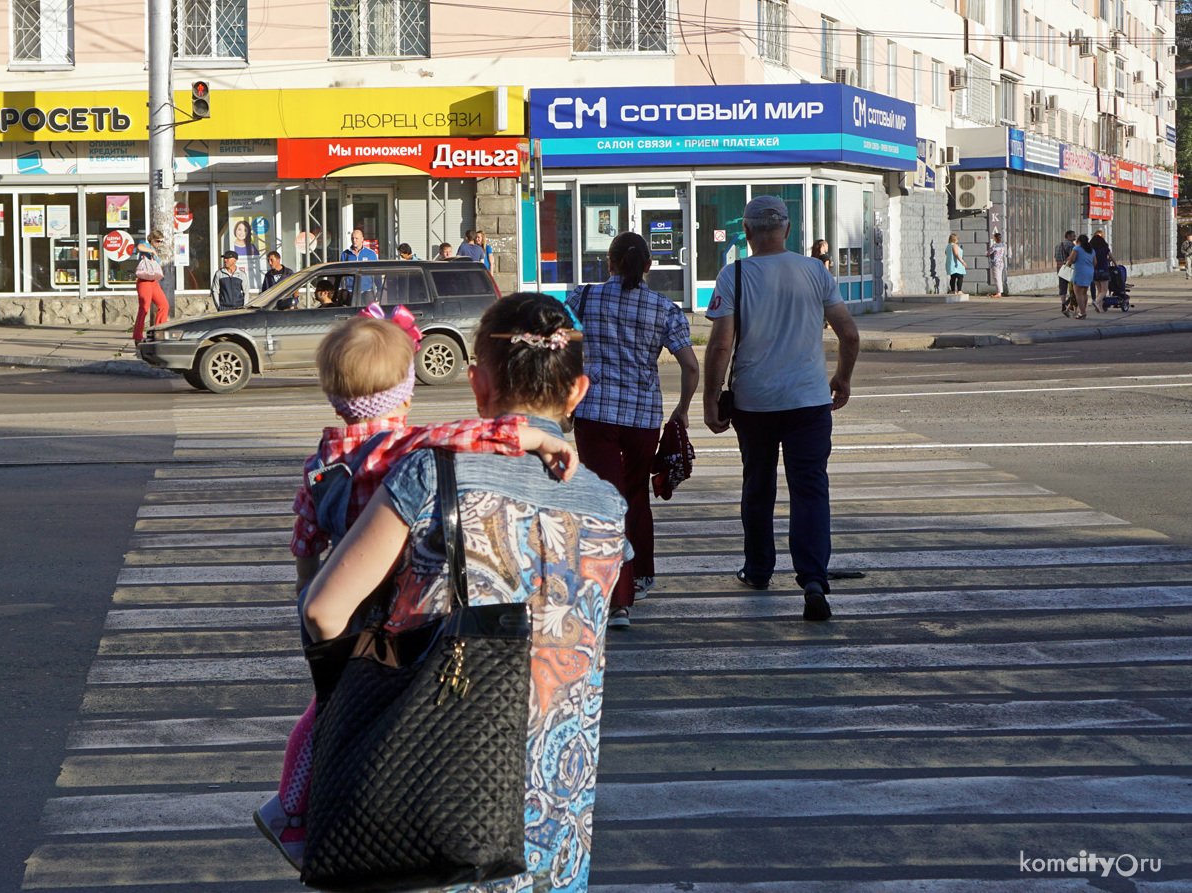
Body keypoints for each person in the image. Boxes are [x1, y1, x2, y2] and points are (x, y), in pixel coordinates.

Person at [300, 293, 627, 893]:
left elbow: (323, 610)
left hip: (432, 794)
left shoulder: (430, 473)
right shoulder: (609, 508)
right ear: (577, 391)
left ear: (478, 384)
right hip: (557, 820)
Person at [702, 195, 860, 622]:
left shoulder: (734, 274)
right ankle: (812, 577)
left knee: (758, 484)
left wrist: (711, 398)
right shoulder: (815, 271)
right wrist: (842, 378)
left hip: (755, 403)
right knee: (810, 488)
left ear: (748, 232)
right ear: (788, 230)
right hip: (809, 401)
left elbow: (720, 345)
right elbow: (848, 334)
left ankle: (758, 570)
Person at [566, 231, 699, 628]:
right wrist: (682, 409)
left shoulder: (583, 298)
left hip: (595, 416)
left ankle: (617, 599)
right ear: (648, 266)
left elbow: (559, 345)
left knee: (605, 499)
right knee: (635, 495)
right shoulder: (664, 308)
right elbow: (692, 367)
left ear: (609, 263)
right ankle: (639, 578)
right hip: (642, 419)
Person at [132, 231, 169, 343]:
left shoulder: (156, 251)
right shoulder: (145, 244)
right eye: (158, 241)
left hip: (153, 282)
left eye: (161, 242)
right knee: (144, 309)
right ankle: (137, 336)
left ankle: (158, 332)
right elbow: (139, 247)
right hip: (144, 282)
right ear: (152, 239)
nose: (159, 243)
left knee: (164, 305)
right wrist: (152, 250)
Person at [1064, 233, 1096, 319]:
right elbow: (1095, 262)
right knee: (1084, 293)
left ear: (1078, 241)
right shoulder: (1091, 250)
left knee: (1077, 293)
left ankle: (1082, 312)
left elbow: (1072, 260)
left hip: (1079, 272)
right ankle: (1083, 311)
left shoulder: (1077, 248)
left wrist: (1070, 260)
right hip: (1089, 272)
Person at [1090, 231, 1113, 312]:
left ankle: (1100, 308)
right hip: (1104, 270)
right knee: (1104, 290)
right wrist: (1116, 265)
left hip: (1095, 271)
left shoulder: (1092, 250)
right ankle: (1096, 302)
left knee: (1099, 290)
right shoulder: (1105, 248)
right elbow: (1111, 257)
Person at [1055, 230, 1077, 307]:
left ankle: (1063, 304)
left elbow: (1056, 258)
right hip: (1069, 269)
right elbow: (1073, 257)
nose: (1075, 238)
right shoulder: (1071, 245)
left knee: (1062, 287)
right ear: (1068, 236)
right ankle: (1069, 303)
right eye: (1073, 236)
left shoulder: (1058, 245)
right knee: (1073, 287)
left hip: (1060, 269)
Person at [987, 232, 1006, 298]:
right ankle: (999, 291)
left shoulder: (994, 246)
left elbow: (989, 252)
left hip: (995, 263)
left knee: (996, 278)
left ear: (995, 238)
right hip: (1001, 263)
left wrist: (987, 252)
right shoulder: (1003, 245)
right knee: (999, 277)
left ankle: (998, 293)